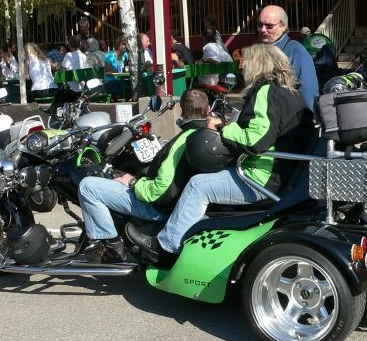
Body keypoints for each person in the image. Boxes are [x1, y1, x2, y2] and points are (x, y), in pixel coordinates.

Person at [127, 44, 314, 261]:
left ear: (258, 64)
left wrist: (222, 127)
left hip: (259, 178)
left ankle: (164, 247)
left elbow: (255, 140)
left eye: (245, 63)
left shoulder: (266, 92)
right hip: (283, 176)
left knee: (198, 185)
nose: (242, 68)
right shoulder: (291, 93)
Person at [77, 89, 211, 263]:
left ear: (181, 110)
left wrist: (132, 182)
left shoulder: (181, 142)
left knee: (88, 186)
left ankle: (112, 246)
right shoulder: (207, 136)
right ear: (207, 110)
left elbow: (159, 191)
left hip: (159, 208)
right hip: (183, 206)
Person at [256, 4, 318, 110]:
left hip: (287, 120)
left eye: (269, 26)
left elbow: (308, 91)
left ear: (283, 26)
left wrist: (307, 121)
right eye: (260, 25)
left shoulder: (296, 51)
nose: (263, 29)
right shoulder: (258, 51)